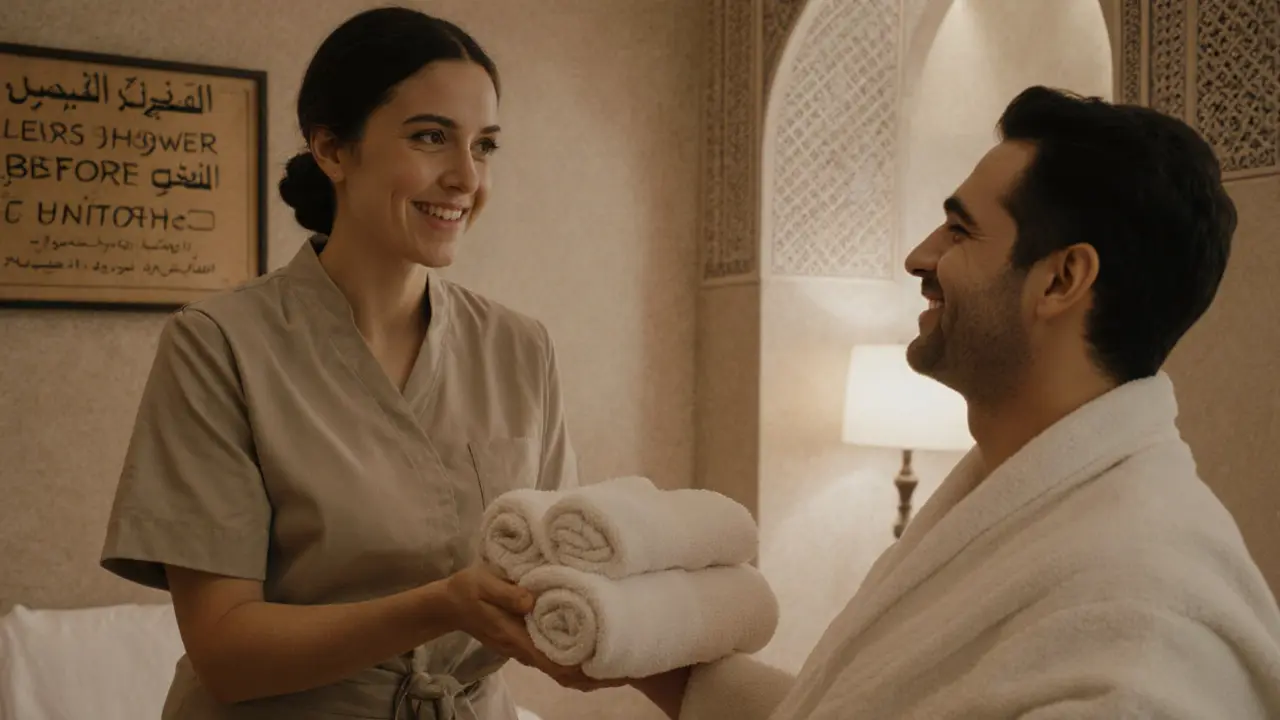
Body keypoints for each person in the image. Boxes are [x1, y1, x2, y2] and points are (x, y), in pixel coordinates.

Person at [629, 86, 1280, 719]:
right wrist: (646, 661)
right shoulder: (1017, 510)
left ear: (1061, 279)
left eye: (960, 231)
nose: (920, 257)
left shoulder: (1145, 616)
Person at [100, 7, 602, 719]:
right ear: (332, 150)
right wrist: (440, 606)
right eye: (430, 137)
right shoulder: (218, 344)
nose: (466, 177)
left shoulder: (521, 348)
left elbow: (563, 575)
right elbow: (225, 651)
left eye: (484, 146)